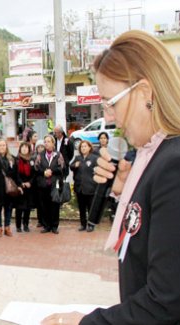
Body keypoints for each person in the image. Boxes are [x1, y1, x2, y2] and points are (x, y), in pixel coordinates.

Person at [43, 30, 180, 325]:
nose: (109, 118)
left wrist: (84, 323)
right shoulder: (153, 156)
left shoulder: (173, 165)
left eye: (111, 102)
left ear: (145, 93)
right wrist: (123, 192)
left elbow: (166, 302)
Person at [0, 139, 21, 237]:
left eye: (4, 145)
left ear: (7, 147)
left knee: (8, 208)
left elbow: (16, 174)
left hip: (9, 189)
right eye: (0, 145)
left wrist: (19, 186)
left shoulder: (12, 159)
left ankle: (7, 227)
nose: (2, 147)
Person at [34, 135, 65, 235]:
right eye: (45, 141)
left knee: (54, 205)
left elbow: (62, 168)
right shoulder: (40, 155)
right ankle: (46, 226)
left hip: (54, 184)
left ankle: (54, 226)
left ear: (53, 143)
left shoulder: (58, 155)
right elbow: (36, 168)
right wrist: (44, 172)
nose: (46, 143)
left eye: (48, 141)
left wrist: (51, 171)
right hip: (43, 185)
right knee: (44, 206)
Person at [70, 140, 98, 232]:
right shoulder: (78, 157)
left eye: (85, 146)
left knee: (90, 208)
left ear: (89, 147)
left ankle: (91, 225)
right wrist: (75, 165)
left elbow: (98, 170)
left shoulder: (94, 158)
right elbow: (71, 166)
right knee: (82, 207)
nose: (83, 148)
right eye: (82, 147)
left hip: (90, 187)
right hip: (79, 187)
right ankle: (83, 224)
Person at [15, 142, 35, 232]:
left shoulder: (31, 160)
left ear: (29, 149)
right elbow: (15, 174)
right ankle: (18, 226)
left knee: (28, 207)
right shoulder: (16, 160)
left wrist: (30, 182)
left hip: (29, 187)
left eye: (26, 147)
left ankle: (26, 224)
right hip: (20, 186)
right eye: (22, 147)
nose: (24, 149)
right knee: (19, 207)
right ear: (20, 149)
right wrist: (21, 183)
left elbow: (34, 174)